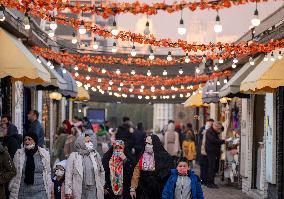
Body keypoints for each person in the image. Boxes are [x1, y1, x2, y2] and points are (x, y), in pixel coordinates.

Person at [9, 131, 52, 199]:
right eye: (25, 139)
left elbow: (48, 172)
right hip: (22, 192)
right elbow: (14, 172)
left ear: (35, 141)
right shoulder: (19, 154)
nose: (27, 141)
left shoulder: (44, 154)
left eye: (29, 139)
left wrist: (50, 188)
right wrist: (11, 187)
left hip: (40, 191)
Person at [130, 135, 174, 199]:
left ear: (155, 143)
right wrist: (133, 188)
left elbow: (168, 174)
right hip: (144, 189)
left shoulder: (165, 157)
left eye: (149, 143)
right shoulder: (143, 156)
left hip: (158, 189)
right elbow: (136, 172)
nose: (147, 145)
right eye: (146, 143)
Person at [65, 134, 105, 199]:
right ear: (81, 142)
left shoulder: (95, 154)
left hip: (94, 189)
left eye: (90, 141)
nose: (90, 143)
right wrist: (68, 191)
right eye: (87, 141)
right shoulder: (74, 156)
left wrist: (102, 185)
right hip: (80, 189)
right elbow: (68, 174)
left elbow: (101, 171)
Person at [205, 122, 225, 189]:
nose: (219, 130)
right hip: (211, 151)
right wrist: (223, 141)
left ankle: (211, 182)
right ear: (215, 126)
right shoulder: (210, 131)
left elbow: (222, 129)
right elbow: (213, 140)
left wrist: (220, 127)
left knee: (213, 167)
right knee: (211, 167)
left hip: (214, 151)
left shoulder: (214, 131)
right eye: (218, 128)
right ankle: (210, 183)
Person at [198, 119, 214, 185]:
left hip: (204, 151)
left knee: (205, 167)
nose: (211, 124)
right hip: (204, 151)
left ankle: (204, 180)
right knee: (204, 166)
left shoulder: (205, 130)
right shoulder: (205, 130)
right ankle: (203, 180)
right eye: (211, 123)